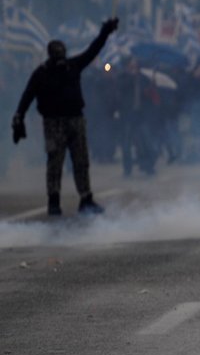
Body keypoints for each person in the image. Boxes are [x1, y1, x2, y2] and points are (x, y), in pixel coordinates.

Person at [11, 17, 119, 216]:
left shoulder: (72, 66)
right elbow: (27, 95)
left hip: (75, 121)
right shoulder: (41, 74)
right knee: (55, 162)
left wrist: (105, 32)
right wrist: (19, 116)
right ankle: (53, 201)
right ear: (51, 56)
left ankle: (86, 198)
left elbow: (92, 51)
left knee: (81, 161)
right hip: (53, 123)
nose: (61, 59)